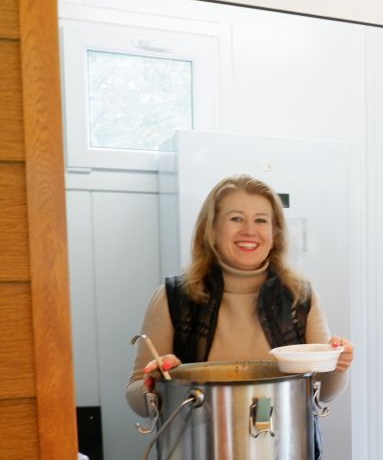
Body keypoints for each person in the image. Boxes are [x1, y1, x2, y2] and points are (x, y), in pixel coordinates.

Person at [127, 174, 354, 429]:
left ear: (275, 233)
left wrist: (337, 364)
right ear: (212, 230)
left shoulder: (300, 297)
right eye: (236, 218)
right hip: (197, 450)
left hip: (287, 450)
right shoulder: (172, 297)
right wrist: (153, 385)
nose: (249, 230)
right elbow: (136, 395)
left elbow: (322, 393)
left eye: (261, 220)